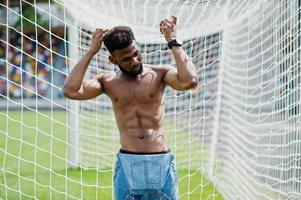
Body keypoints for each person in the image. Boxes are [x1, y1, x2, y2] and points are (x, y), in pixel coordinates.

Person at [62, 16, 198, 200]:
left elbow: (190, 81)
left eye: (136, 53)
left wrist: (173, 41)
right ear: (112, 60)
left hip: (161, 160)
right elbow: (70, 91)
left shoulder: (160, 74)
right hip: (127, 163)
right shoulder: (107, 81)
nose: (134, 60)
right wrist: (91, 52)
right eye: (126, 59)